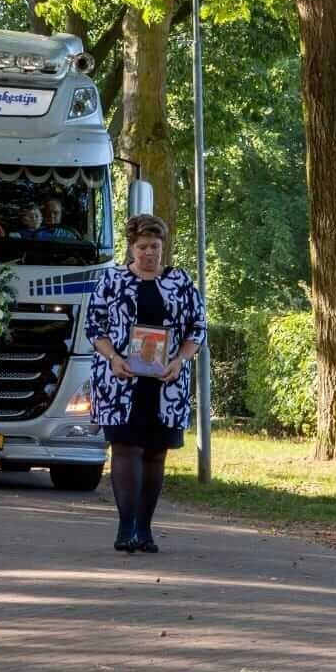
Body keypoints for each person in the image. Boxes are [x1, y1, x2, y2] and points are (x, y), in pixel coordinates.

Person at [85, 213, 206, 554]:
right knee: (126, 448)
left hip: (166, 384)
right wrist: (113, 358)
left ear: (163, 246)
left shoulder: (181, 282)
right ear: (131, 248)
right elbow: (94, 327)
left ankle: (145, 529)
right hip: (120, 381)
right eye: (142, 247)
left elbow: (197, 328)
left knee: (155, 452)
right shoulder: (112, 280)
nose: (149, 253)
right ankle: (125, 528)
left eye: (155, 246)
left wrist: (180, 360)